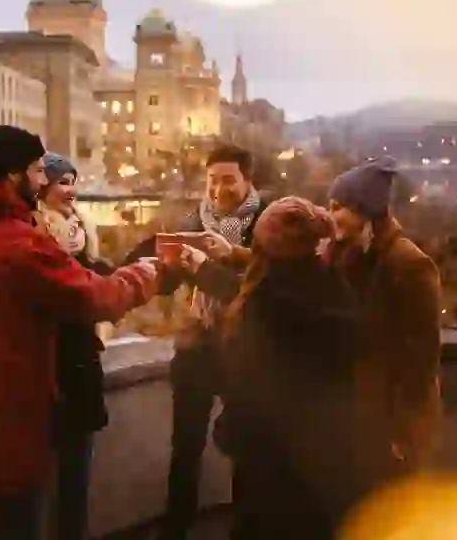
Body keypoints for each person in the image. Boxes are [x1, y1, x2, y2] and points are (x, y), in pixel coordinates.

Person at [0, 126, 162, 540]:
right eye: (38, 171)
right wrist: (149, 273)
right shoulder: (21, 244)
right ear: (14, 176)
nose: (43, 181)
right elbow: (97, 298)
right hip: (4, 444)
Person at [194, 197, 372, 540]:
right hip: (326, 457)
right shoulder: (334, 289)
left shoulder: (263, 303)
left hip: (267, 460)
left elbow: (247, 384)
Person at [128, 144, 269, 540]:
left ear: (247, 181)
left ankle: (246, 529)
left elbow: (249, 295)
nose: (218, 189)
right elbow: (172, 281)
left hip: (244, 353)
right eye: (212, 180)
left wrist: (205, 267)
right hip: (196, 349)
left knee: (247, 449)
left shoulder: (266, 226)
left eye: (228, 180)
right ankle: (176, 528)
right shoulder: (194, 221)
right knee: (185, 448)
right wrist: (158, 265)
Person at [325, 156, 442, 472]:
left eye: (338, 207)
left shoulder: (409, 264)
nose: (330, 216)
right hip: (365, 415)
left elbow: (422, 357)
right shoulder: (352, 255)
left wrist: (402, 431)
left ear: (364, 210)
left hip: (395, 422)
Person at [35, 152, 112, 540]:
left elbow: (98, 278)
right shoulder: (35, 236)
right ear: (42, 187)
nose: (70, 190)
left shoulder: (82, 232)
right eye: (62, 182)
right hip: (48, 364)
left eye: (72, 181)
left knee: (76, 474)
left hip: (80, 361)